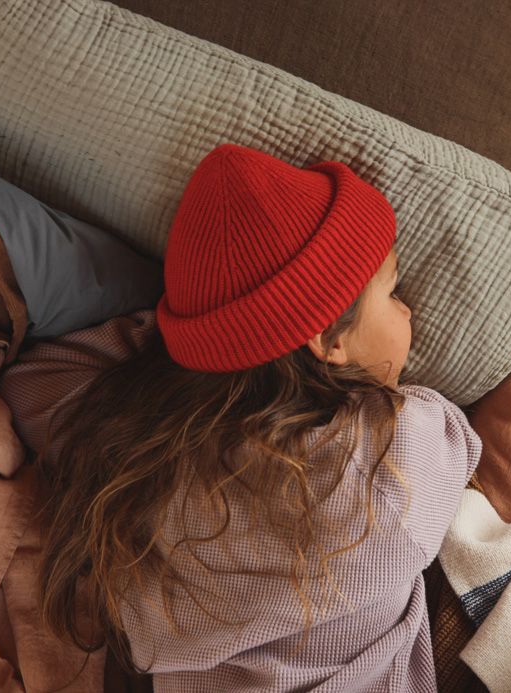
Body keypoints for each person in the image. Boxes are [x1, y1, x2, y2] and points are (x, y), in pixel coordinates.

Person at [33, 143, 482, 691]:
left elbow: (32, 378)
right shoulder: (387, 464)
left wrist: (190, 341)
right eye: (392, 292)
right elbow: (456, 438)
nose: (408, 310)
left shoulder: (140, 474)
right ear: (327, 339)